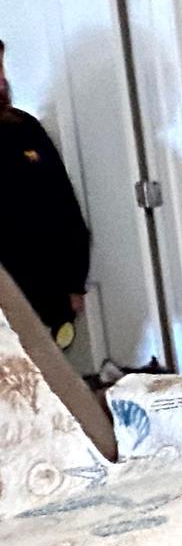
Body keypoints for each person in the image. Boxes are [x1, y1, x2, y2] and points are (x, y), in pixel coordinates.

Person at [0, 39, 92, 344]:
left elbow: (63, 205)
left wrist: (75, 282)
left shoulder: (24, 127)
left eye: (0, 66)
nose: (1, 79)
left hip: (45, 293)